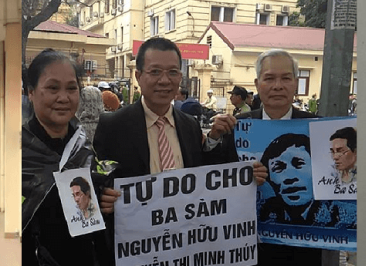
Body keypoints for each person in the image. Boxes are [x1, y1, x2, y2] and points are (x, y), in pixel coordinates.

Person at [93, 37, 268, 266]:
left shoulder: (189, 125)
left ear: (180, 77)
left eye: (173, 72)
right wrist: (101, 197)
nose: (164, 80)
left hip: (186, 248)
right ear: (138, 76)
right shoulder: (112, 125)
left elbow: (202, 176)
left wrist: (244, 175)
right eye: (155, 72)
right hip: (136, 251)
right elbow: (96, 181)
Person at [217, 49, 339, 266]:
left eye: (286, 78)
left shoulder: (320, 130)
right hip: (248, 246)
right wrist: (239, 176)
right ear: (257, 84)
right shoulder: (237, 127)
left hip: (305, 250)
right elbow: (215, 183)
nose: (277, 86)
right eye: (270, 78)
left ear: (295, 83)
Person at [22, 48, 107, 266]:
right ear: (30, 91)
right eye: (52, 88)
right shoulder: (17, 153)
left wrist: (105, 199)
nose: (63, 97)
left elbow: (89, 219)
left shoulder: (83, 149)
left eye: (71, 88)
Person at [258, 133, 349, 228]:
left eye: (299, 164)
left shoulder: (346, 216)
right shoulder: (262, 213)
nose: (290, 177)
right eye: (278, 168)